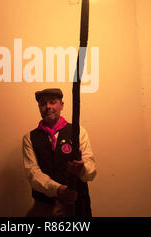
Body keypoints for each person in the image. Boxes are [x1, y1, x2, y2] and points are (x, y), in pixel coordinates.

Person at [22, 88, 96, 217]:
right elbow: (32, 173)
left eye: (52, 102)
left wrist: (82, 169)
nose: (48, 107)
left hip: (77, 206)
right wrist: (58, 189)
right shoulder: (29, 138)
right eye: (43, 103)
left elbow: (91, 169)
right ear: (39, 107)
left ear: (61, 106)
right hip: (45, 208)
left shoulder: (78, 131)